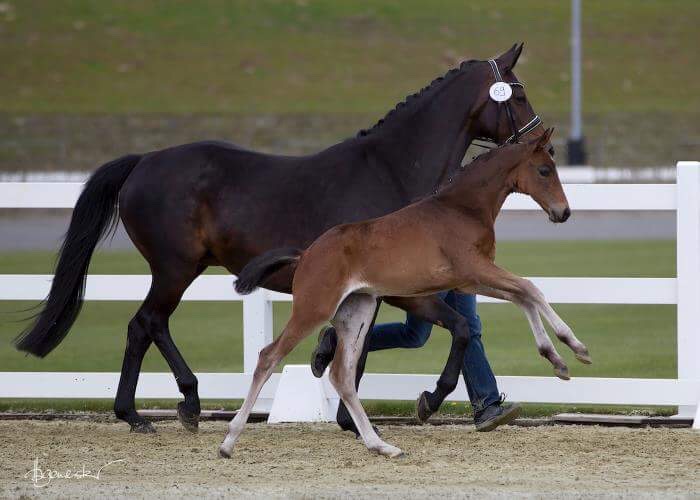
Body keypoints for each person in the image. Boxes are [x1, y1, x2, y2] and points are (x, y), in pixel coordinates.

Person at [310, 291, 520, 431]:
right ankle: (337, 340)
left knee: (450, 332)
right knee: (418, 335)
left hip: (461, 262)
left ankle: (485, 405)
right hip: (437, 260)